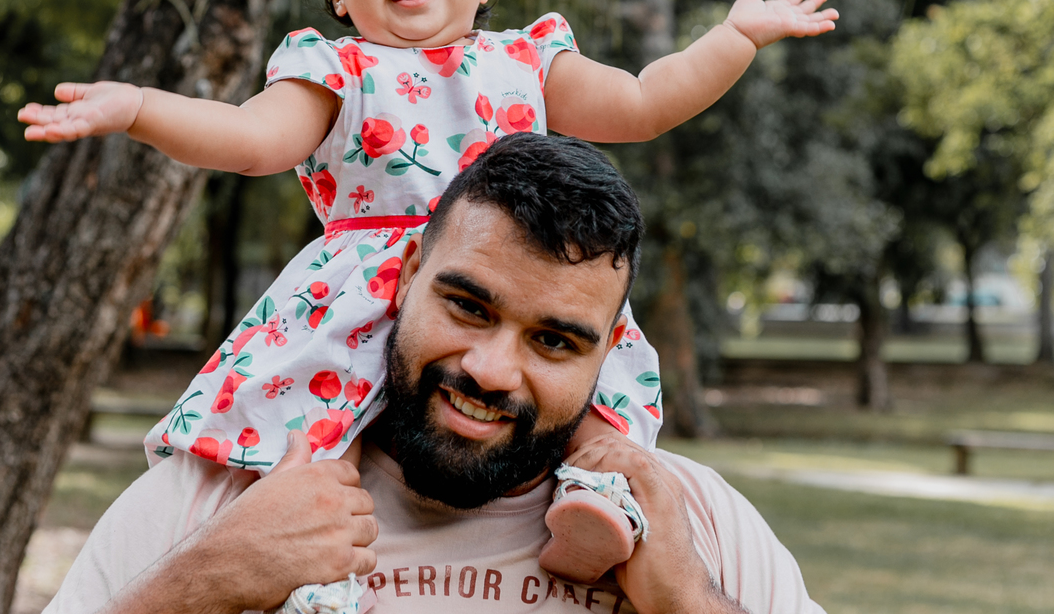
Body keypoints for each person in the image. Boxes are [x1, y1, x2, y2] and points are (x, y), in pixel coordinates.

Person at [19, 0, 838, 594]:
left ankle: (597, 511)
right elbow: (245, 139)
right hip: (364, 305)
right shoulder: (333, 71)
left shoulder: (526, 60)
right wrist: (136, 108)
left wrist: (733, 39)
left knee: (577, 407)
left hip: (509, 280)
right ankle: (316, 575)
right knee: (319, 450)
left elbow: (643, 101)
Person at [46, 134, 825, 614]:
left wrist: (687, 601)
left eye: (554, 342)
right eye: (468, 307)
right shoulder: (219, 504)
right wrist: (204, 582)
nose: (490, 371)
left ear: (609, 347)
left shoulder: (693, 527)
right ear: (408, 271)